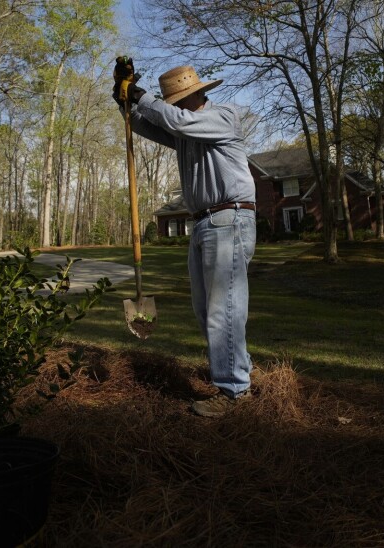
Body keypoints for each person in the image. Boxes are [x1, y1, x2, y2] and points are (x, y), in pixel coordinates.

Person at [113, 58, 256, 418]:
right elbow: (143, 125)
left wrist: (142, 95)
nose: (173, 107)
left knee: (223, 309)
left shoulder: (220, 117)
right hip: (205, 223)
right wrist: (123, 99)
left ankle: (234, 390)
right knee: (207, 309)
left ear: (191, 95)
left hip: (229, 217)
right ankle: (238, 372)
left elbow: (174, 120)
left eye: (174, 101)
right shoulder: (187, 131)